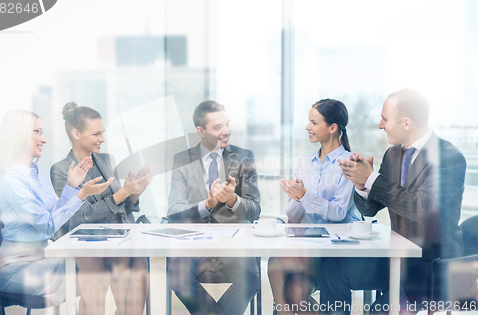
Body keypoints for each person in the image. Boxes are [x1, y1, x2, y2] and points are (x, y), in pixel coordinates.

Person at [320, 89, 466, 314]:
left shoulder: (449, 157)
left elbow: (424, 209)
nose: (380, 125)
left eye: (385, 119)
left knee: (377, 311)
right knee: (333, 270)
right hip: (398, 260)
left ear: (406, 123)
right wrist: (361, 184)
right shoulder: (393, 154)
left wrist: (371, 178)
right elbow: (371, 208)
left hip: (431, 268)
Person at [0, 109, 112, 306]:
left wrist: (72, 187)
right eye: (38, 132)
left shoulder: (36, 172)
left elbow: (53, 212)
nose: (44, 139)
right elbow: (47, 225)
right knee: (93, 275)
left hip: (43, 259)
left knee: (96, 270)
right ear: (19, 134)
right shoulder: (11, 180)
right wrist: (81, 194)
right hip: (17, 271)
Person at [50, 103, 152, 315]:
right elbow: (81, 215)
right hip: (88, 243)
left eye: (102, 133)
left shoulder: (107, 159)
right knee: (96, 272)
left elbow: (124, 209)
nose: (102, 139)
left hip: (121, 238)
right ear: (76, 134)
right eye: (96, 133)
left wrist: (134, 193)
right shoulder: (61, 170)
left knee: (140, 267)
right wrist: (123, 193)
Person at [167, 100, 261, 315]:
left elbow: (255, 209)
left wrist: (232, 200)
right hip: (194, 242)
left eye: (227, 124)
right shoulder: (182, 160)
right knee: (178, 278)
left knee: (248, 281)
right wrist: (207, 204)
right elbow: (173, 212)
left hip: (233, 243)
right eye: (218, 127)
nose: (226, 131)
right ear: (200, 131)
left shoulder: (244, 157)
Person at [268, 99, 361, 315]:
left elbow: (338, 213)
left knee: (296, 292)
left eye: (313, 122)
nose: (307, 127)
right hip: (309, 246)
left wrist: (305, 195)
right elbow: (292, 214)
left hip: (335, 251)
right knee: (276, 261)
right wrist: (296, 198)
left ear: (332, 128)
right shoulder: (303, 163)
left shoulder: (350, 163)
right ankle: (282, 311)